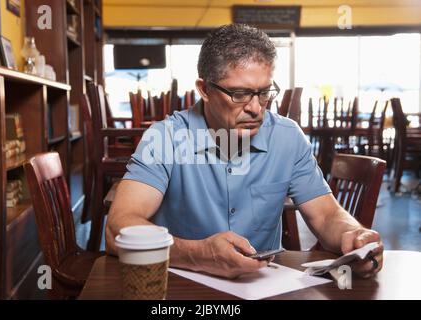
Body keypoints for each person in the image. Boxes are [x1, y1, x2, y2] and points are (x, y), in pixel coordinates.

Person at [106, 24, 383, 279]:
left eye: (264, 93)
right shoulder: (164, 138)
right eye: (239, 94)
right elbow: (118, 228)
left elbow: (325, 215)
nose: (255, 108)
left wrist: (353, 233)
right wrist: (197, 254)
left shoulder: (287, 137)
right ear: (204, 89)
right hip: (181, 285)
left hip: (263, 285)